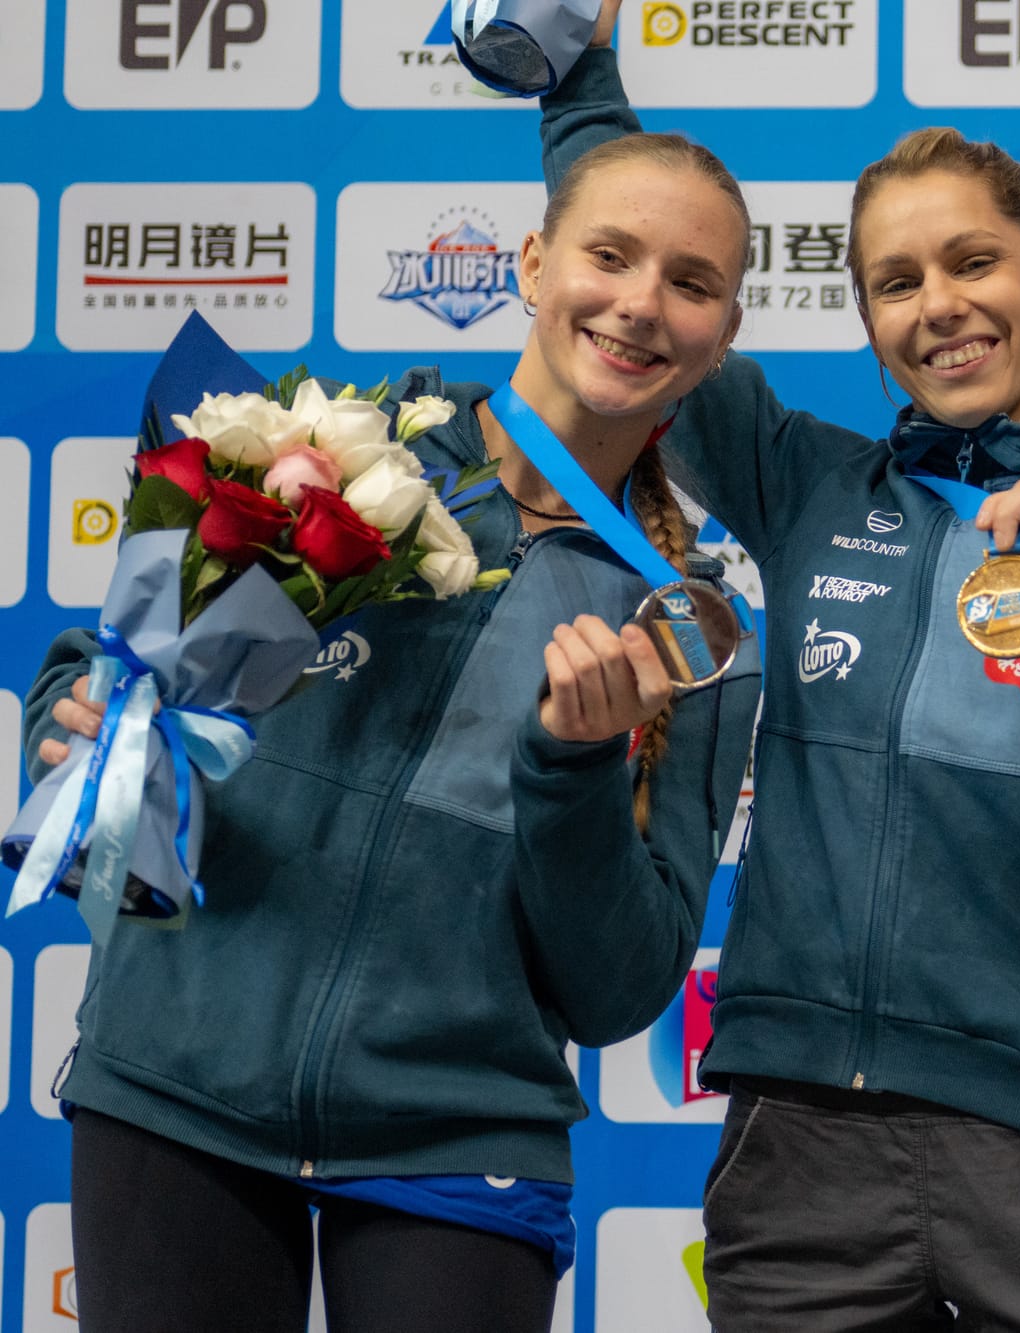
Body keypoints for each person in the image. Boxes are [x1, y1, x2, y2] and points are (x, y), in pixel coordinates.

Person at [538, 8, 1020, 1327]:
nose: (938, 304)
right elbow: (638, 292)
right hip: (800, 1152)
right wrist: (575, 79)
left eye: (972, 262)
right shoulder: (806, 481)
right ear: (869, 321)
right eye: (895, 282)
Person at [23, 128, 761, 1333]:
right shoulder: (320, 450)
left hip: (459, 1138)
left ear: (722, 338)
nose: (639, 303)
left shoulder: (685, 633)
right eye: (609, 255)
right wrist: (80, 739)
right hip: (178, 1090)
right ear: (533, 263)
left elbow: (618, 989)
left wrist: (574, 768)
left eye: (690, 282)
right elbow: (106, 662)